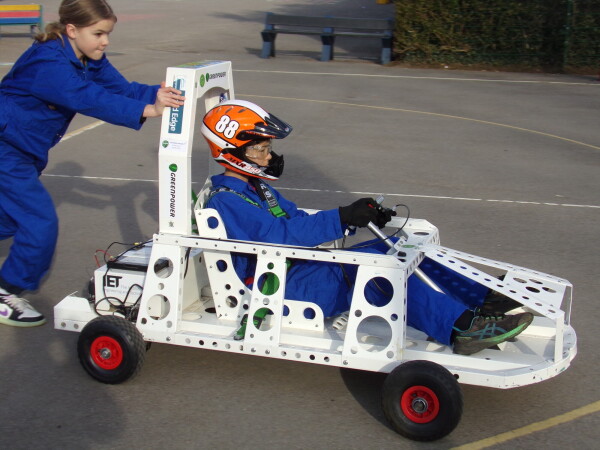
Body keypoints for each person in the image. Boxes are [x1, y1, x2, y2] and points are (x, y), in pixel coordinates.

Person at [201, 100, 533, 355]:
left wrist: (355, 217)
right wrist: (342, 217)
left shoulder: (257, 188)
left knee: (393, 248)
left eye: (268, 148)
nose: (267, 157)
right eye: (260, 149)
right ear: (231, 151)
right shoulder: (227, 201)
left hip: (300, 269)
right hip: (277, 285)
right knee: (376, 274)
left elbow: (297, 220)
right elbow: (279, 237)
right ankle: (463, 329)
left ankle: (483, 298)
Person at [0, 0, 185, 327]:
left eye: (108, 33)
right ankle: (6, 290)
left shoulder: (87, 57)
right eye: (98, 33)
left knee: (8, 218)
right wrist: (149, 110)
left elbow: (123, 90)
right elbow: (88, 98)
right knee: (39, 222)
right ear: (72, 30)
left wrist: (166, 95)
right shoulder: (48, 62)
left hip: (24, 150)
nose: (105, 41)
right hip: (6, 149)